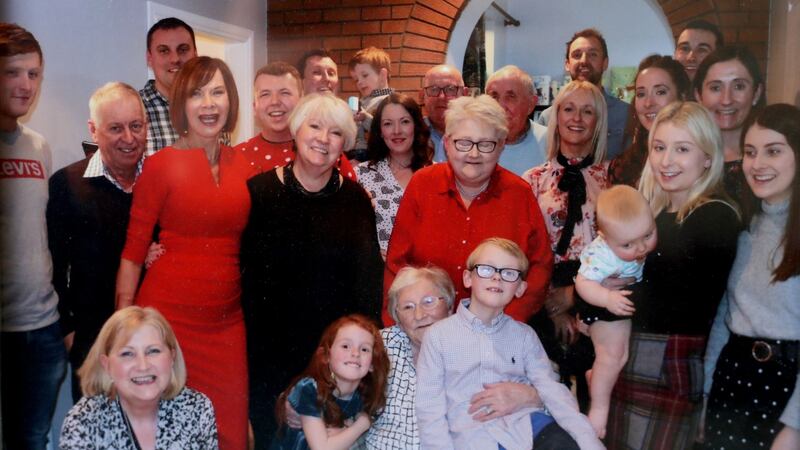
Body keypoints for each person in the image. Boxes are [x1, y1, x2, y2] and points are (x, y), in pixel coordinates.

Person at [117, 56, 250, 450]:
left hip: (228, 325)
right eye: (197, 94)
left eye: (217, 92)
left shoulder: (244, 165)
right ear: (181, 105)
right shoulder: (160, 166)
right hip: (168, 324)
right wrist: (123, 330)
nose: (208, 104)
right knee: (170, 436)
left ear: (231, 101)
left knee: (231, 435)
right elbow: (132, 254)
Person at [241, 93, 383, 448]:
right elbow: (245, 286)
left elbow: (366, 288)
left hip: (335, 363)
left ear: (344, 144)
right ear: (296, 131)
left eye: (335, 132)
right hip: (268, 358)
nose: (323, 138)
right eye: (315, 126)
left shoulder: (355, 201)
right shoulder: (258, 193)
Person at [606, 102, 740, 450]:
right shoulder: (652, 213)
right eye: (659, 147)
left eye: (682, 149)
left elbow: (675, 303)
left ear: (707, 157)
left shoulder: (715, 215)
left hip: (671, 360)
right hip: (632, 353)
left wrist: (605, 295)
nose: (666, 161)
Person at [416, 238, 604, 450]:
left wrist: (588, 440)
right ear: (468, 278)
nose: (497, 277)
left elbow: (552, 390)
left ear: (520, 288)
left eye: (508, 273)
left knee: (563, 443)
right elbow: (429, 408)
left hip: (527, 426)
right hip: (473, 437)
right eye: (486, 269)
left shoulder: (525, 336)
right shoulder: (438, 336)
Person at [383, 94, 553, 326]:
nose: (474, 154)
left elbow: (539, 267)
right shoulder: (423, 184)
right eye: (463, 143)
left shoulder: (519, 194)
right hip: (423, 328)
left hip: (497, 329)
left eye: (486, 144)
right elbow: (397, 264)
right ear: (447, 143)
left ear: (501, 146)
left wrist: (506, 324)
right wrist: (401, 324)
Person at [366, 265, 553, 449]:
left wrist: (533, 396)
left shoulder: (486, 344)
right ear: (398, 320)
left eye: (429, 302)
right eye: (407, 307)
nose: (419, 315)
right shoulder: (382, 345)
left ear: (449, 308)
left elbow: (552, 398)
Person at [702, 104, 800, 450]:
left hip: (786, 390)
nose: (757, 164)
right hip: (732, 381)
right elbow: (724, 320)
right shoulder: (744, 226)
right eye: (750, 152)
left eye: (773, 151)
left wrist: (795, 427)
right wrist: (706, 396)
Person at [48, 82, 147, 403]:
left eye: (136, 126)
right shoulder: (67, 184)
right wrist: (69, 332)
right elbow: (52, 267)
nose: (129, 138)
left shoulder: (160, 180)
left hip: (152, 342)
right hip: (92, 341)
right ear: (93, 129)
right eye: (116, 128)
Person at [0, 22, 68, 449]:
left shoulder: (37, 146)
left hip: (42, 327)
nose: (26, 85)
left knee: (32, 440)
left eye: (33, 73)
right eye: (12, 72)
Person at [524, 80, 610, 408]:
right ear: (556, 116)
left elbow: (621, 253)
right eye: (569, 109)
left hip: (597, 300)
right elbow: (526, 251)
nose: (576, 118)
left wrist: (575, 297)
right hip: (544, 296)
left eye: (587, 111)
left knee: (592, 401)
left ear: (598, 121)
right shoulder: (532, 180)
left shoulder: (612, 180)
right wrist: (553, 304)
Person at [59, 306, 218, 449]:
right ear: (106, 365)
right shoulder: (84, 421)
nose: (143, 366)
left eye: (153, 351)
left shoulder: (196, 409)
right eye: (127, 354)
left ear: (172, 357)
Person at [574, 185, 658, 438]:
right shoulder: (602, 255)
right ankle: (599, 410)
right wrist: (607, 298)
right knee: (612, 356)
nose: (641, 248)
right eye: (628, 244)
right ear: (604, 237)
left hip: (616, 309)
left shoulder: (629, 236)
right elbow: (582, 283)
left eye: (648, 235)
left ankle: (596, 378)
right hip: (604, 309)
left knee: (618, 357)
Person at [272, 314, 389, 450]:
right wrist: (362, 424)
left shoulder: (363, 396)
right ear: (327, 355)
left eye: (364, 349)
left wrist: (347, 427)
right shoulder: (309, 388)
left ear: (372, 364)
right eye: (345, 346)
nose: (355, 353)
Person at [235, 61, 355, 179]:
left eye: (285, 93)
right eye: (265, 94)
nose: (275, 101)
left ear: (301, 100)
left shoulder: (324, 153)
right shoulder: (237, 157)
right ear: (254, 106)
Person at [356, 93, 431, 257]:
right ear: (380, 131)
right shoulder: (362, 175)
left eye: (405, 122)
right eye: (388, 124)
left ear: (416, 126)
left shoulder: (437, 175)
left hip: (428, 270)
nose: (397, 131)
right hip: (378, 269)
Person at [695, 45, 764, 221]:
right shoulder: (684, 158)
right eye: (715, 88)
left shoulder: (770, 161)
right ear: (698, 96)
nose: (726, 100)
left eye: (739, 86)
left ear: (756, 93)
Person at [535, 28, 629, 159]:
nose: (584, 61)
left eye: (593, 54)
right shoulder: (548, 117)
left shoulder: (627, 115)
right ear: (567, 64)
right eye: (577, 55)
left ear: (605, 63)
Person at [609, 55, 692, 187]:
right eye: (641, 94)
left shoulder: (698, 159)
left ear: (682, 96)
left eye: (660, 92)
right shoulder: (622, 166)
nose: (648, 103)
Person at [139, 17, 198, 156]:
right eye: (164, 51)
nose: (175, 59)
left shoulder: (211, 109)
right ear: (149, 58)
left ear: (195, 55)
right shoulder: (133, 109)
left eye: (183, 49)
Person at [485, 65, 548, 175]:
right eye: (494, 97)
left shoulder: (550, 141)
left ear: (531, 104)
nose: (500, 106)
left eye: (510, 97)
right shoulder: (473, 143)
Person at [347, 46, 394, 161]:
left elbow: (386, 130)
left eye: (365, 75)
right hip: (357, 150)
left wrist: (365, 118)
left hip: (376, 155)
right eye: (356, 79)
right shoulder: (363, 101)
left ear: (382, 75)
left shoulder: (390, 101)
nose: (360, 82)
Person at [419, 64, 469, 162]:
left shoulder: (480, 134)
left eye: (450, 89)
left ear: (464, 94)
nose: (441, 97)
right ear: (422, 96)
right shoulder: (410, 134)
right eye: (433, 89)